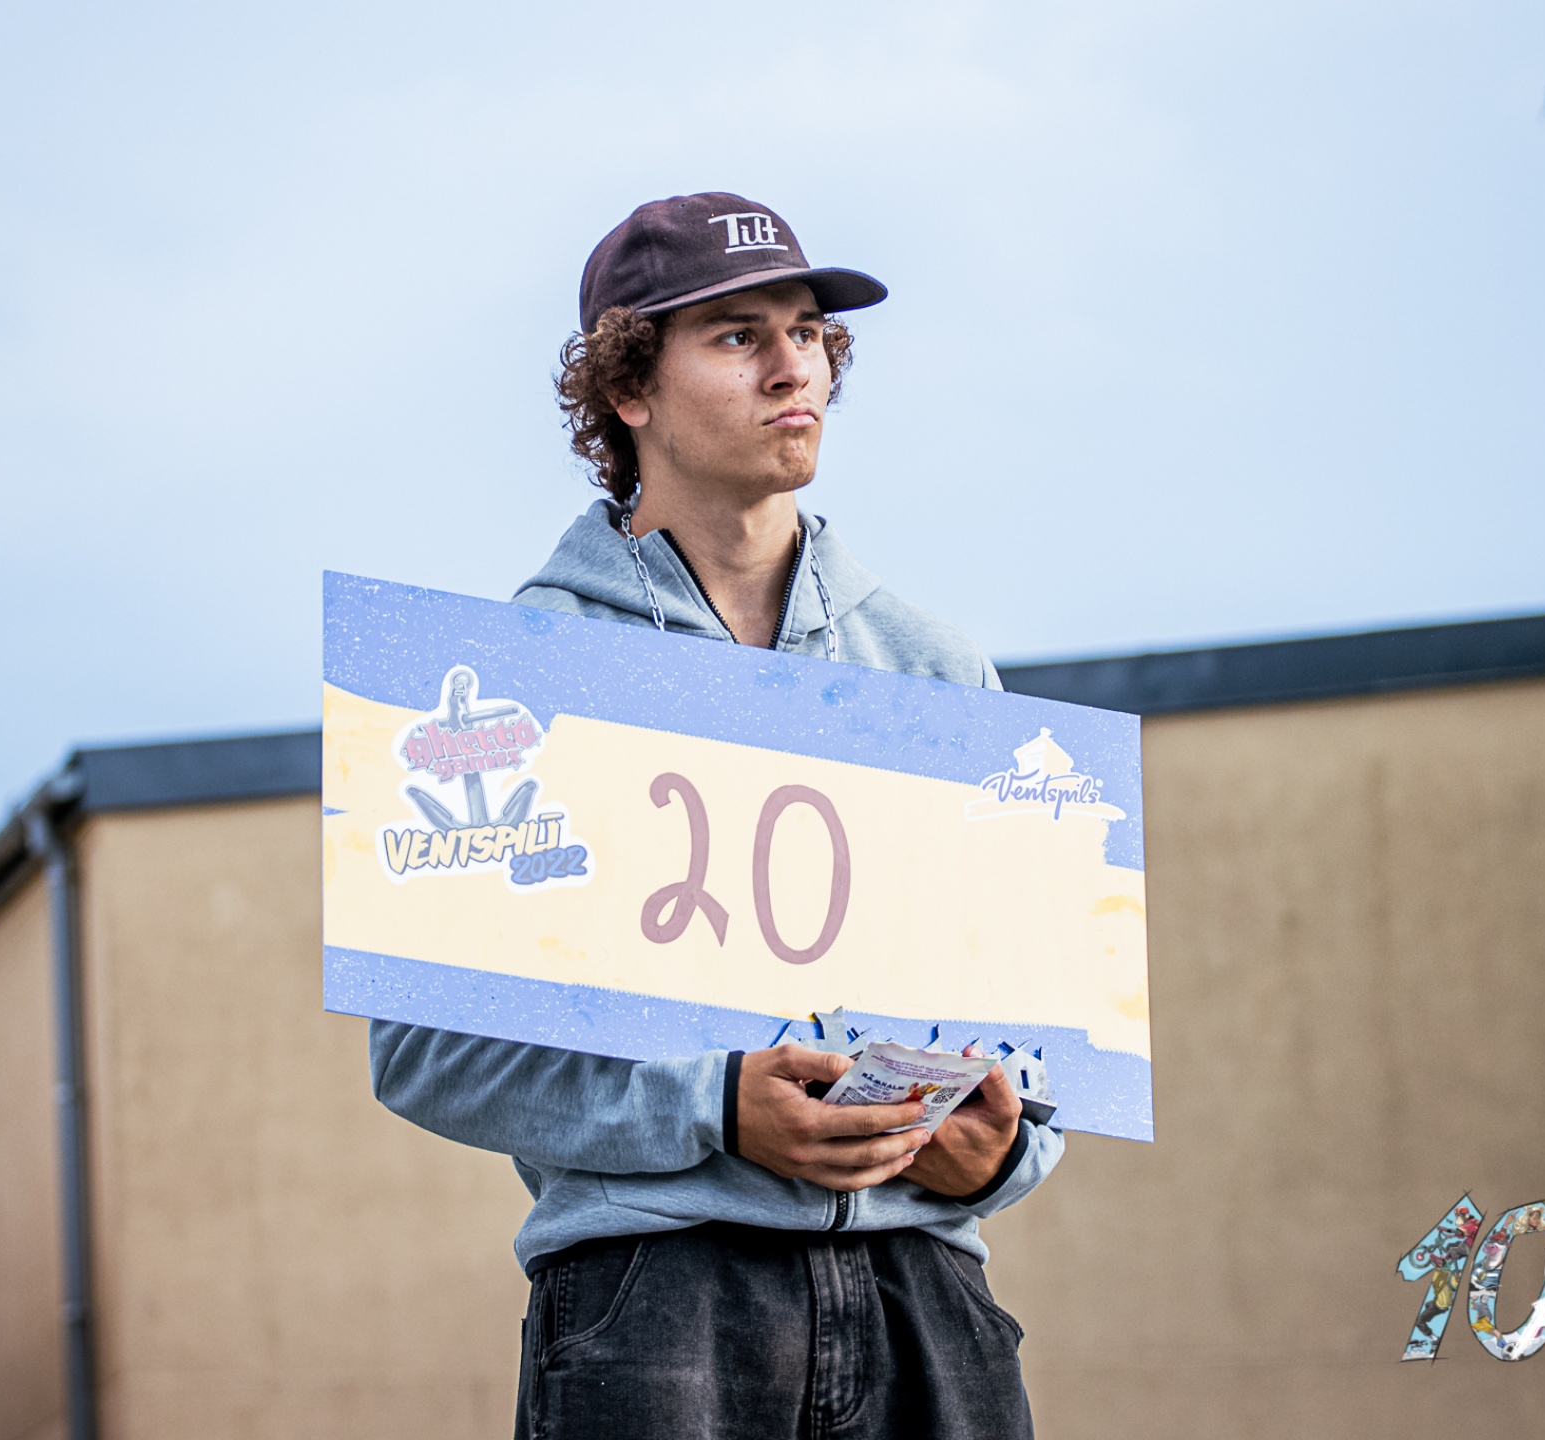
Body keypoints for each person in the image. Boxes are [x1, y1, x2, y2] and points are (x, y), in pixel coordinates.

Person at [369, 192, 1062, 1440]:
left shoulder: (938, 672)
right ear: (626, 386)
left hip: (929, 1295)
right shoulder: (508, 684)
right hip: (657, 1303)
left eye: (807, 332)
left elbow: (1044, 1041)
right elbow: (425, 1052)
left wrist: (1004, 1158)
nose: (794, 366)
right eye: (738, 336)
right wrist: (710, 1106)